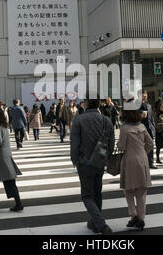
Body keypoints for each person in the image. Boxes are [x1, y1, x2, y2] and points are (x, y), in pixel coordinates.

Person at [70, 95, 115, 235]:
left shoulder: (79, 119)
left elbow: (74, 144)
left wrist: (75, 161)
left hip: (84, 162)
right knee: (97, 193)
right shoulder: (106, 120)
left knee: (87, 196)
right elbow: (111, 143)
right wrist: (106, 158)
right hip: (100, 161)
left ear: (86, 103)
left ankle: (101, 225)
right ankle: (95, 223)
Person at [117, 107, 153, 231]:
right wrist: (143, 152)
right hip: (143, 159)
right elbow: (150, 143)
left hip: (129, 160)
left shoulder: (125, 128)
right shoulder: (142, 127)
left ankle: (133, 215)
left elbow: (121, 147)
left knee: (129, 190)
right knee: (142, 191)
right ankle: (141, 218)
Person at [140, 90, 157, 169]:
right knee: (141, 146)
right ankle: (143, 162)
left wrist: (153, 127)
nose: (145, 96)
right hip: (141, 129)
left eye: (145, 94)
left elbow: (151, 117)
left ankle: (151, 162)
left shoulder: (149, 105)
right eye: (143, 95)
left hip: (150, 129)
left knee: (150, 145)